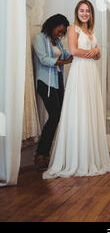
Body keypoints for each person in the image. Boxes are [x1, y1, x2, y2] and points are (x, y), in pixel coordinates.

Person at [43, 0, 110, 179]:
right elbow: (73, 50)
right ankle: (77, 158)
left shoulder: (90, 31)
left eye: (87, 11)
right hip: (80, 71)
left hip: (91, 73)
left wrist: (95, 52)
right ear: (76, 12)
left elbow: (98, 55)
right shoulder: (72, 29)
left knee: (90, 111)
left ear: (91, 14)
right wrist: (92, 53)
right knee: (79, 110)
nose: (84, 13)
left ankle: (91, 156)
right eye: (81, 10)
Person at [33, 14, 73, 171]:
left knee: (60, 116)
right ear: (52, 25)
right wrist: (64, 62)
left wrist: (78, 52)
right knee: (55, 115)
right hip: (45, 83)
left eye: (63, 32)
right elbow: (43, 59)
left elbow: (66, 55)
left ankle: (50, 153)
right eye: (59, 30)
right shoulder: (39, 38)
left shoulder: (57, 42)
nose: (60, 34)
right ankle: (40, 154)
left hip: (58, 81)